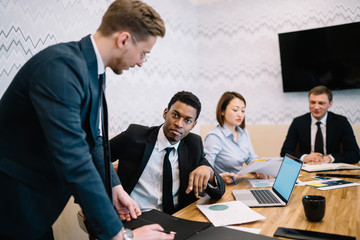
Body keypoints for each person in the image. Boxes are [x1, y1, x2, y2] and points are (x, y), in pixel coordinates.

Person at [0, 1, 174, 239]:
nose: (142, 62)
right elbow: (75, 159)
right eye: (143, 53)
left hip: (35, 210)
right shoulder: (60, 68)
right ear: (123, 40)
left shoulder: (89, 71)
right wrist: (122, 236)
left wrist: (114, 186)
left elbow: (92, 139)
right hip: (12, 209)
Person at [110, 91, 225, 214]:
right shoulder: (135, 135)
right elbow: (98, 155)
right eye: (175, 115)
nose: (179, 124)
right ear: (165, 113)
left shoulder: (194, 144)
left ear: (193, 125)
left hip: (177, 217)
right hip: (135, 214)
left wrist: (210, 172)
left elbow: (219, 191)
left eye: (187, 120)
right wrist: (115, 186)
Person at [280, 85, 359, 164]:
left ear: (330, 104)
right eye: (313, 102)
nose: (316, 107)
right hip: (307, 167)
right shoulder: (298, 122)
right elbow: (284, 153)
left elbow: (355, 154)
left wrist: (330, 158)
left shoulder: (341, 122)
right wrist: (304, 157)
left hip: (330, 168)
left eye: (321, 103)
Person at [203, 91, 269, 185]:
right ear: (222, 111)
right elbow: (205, 169)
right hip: (222, 187)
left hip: (239, 183)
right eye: (235, 110)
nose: (240, 115)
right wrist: (219, 178)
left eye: (243, 111)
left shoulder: (243, 132)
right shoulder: (214, 137)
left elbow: (251, 157)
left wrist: (259, 167)